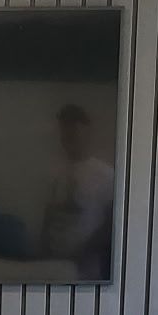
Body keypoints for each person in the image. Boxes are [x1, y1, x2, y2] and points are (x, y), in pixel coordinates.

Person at [40, 103, 114, 279]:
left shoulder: (106, 174)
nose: (68, 135)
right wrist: (43, 251)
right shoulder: (55, 171)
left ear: (86, 132)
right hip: (55, 267)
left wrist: (85, 251)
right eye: (64, 131)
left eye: (74, 130)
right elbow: (49, 216)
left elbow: (112, 223)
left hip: (86, 272)